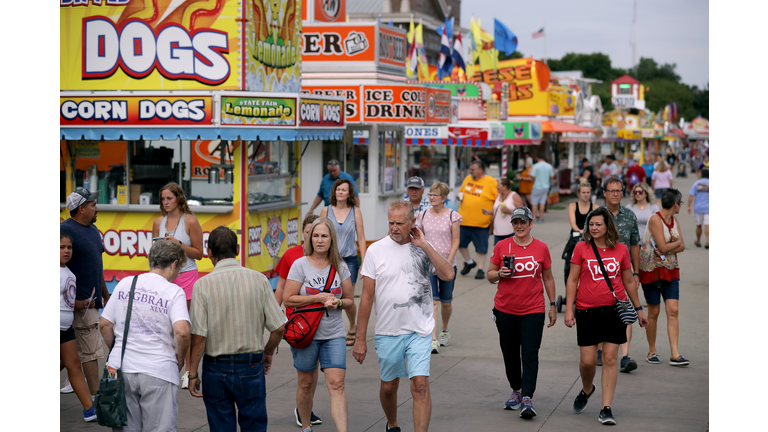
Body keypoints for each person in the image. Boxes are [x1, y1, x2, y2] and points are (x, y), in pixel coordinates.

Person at [353, 200, 455, 432]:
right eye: (391, 222)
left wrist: (425, 245)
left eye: (400, 223)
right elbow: (366, 298)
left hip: (419, 330)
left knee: (420, 386)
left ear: (412, 222)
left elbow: (448, 274)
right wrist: (360, 339)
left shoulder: (422, 248)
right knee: (389, 387)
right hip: (388, 331)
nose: (395, 227)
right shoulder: (375, 250)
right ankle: (392, 424)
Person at [187, 227, 285, 432]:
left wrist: (193, 373)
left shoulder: (202, 285)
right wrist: (267, 352)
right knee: (254, 426)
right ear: (238, 249)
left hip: (215, 368)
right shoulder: (259, 280)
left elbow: (199, 336)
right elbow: (279, 328)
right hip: (250, 366)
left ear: (209, 252)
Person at [564, 207, 648, 425]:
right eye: (591, 224)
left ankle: (606, 408)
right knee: (588, 361)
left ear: (608, 226)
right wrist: (569, 309)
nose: (594, 228)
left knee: (610, 358)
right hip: (586, 311)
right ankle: (587, 388)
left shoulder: (621, 249)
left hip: (613, 311)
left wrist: (639, 309)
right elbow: (572, 280)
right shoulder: (581, 248)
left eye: (598, 224)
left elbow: (629, 281)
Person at [99, 240, 191, 431]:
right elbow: (182, 332)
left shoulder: (126, 283)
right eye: (179, 269)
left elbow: (105, 324)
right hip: (158, 369)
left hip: (120, 368)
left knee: (125, 427)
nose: (177, 274)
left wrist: (116, 349)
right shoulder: (174, 292)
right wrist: (180, 358)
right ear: (174, 263)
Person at [486, 206, 557, 420]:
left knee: (529, 353)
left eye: (523, 222)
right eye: (515, 222)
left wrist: (553, 305)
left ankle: (527, 397)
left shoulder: (541, 248)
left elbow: (548, 278)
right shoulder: (502, 245)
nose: (519, 226)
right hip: (505, 309)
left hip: (533, 309)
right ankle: (516, 390)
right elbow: (489, 274)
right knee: (509, 353)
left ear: (531, 224)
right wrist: (499, 273)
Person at [284, 218, 355, 432]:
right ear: (309, 238)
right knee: (305, 383)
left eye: (324, 236)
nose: (319, 240)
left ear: (332, 239)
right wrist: (317, 299)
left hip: (333, 334)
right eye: (315, 235)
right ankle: (306, 427)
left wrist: (338, 302)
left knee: (337, 384)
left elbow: (350, 300)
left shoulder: (340, 266)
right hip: (306, 335)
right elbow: (288, 299)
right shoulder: (300, 265)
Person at [152, 182, 204, 389]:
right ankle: (170, 365)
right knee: (166, 325)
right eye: (163, 199)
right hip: (166, 277)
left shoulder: (189, 221)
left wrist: (177, 243)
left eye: (169, 198)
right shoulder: (158, 222)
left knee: (186, 325)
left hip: (187, 275)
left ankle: (190, 372)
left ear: (179, 198)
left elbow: (199, 254)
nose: (165, 202)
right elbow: (154, 253)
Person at [60, 189, 111, 397]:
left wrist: (106, 295)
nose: (96, 208)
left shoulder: (93, 229)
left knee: (68, 356)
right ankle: (96, 400)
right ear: (81, 209)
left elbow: (96, 267)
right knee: (90, 353)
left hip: (90, 303)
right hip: (77, 305)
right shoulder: (64, 231)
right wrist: (74, 301)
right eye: (93, 205)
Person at [274, 213, 323, 427]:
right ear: (303, 233)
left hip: (320, 320)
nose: (312, 236)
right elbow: (282, 286)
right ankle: (303, 410)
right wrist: (275, 315)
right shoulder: (291, 255)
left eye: (317, 232)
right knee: (305, 372)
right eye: (308, 231)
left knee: (314, 370)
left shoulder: (325, 256)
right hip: (298, 322)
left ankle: (306, 407)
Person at [639, 188, 689, 367]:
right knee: (654, 312)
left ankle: (675, 354)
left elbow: (681, 246)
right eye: (680, 203)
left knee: (673, 310)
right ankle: (652, 351)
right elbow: (664, 246)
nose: (680, 206)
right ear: (675, 204)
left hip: (670, 269)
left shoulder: (674, 221)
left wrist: (671, 246)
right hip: (652, 270)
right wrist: (674, 244)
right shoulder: (655, 219)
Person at [599, 177, 642, 373]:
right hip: (598, 272)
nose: (616, 194)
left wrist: (636, 272)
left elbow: (635, 245)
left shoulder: (630, 216)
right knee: (601, 310)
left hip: (623, 272)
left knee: (625, 310)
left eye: (619, 190)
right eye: (612, 190)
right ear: (605, 193)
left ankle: (625, 356)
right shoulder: (596, 215)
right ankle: (600, 350)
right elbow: (586, 243)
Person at [415, 182, 462, 354]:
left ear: (443, 198)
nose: (432, 198)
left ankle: (444, 329)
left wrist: (448, 261)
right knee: (433, 301)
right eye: (430, 195)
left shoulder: (453, 216)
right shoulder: (423, 215)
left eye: (435, 195)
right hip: (428, 265)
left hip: (448, 265)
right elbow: (419, 238)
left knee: (446, 301)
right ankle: (433, 338)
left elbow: (456, 241)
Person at [320, 178, 367, 347]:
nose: (340, 192)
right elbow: (319, 234)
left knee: (348, 299)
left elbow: (361, 238)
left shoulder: (356, 212)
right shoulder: (325, 211)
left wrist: (364, 262)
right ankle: (331, 330)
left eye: (344, 190)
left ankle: (353, 326)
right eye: (338, 189)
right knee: (330, 295)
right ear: (334, 192)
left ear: (349, 194)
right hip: (329, 258)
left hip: (350, 260)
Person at [60, 232, 97, 422]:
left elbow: (67, 300)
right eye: (61, 247)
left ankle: (90, 410)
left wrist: (82, 304)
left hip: (66, 329)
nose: (66, 251)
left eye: (69, 247)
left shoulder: (69, 273)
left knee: (74, 365)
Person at [457, 160, 498, 280]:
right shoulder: (468, 179)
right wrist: (459, 196)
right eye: (470, 170)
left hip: (482, 222)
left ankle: (480, 269)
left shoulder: (491, 181)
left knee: (481, 248)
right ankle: (469, 262)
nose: (471, 172)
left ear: (480, 170)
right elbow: (461, 191)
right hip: (464, 220)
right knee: (459, 244)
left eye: (473, 169)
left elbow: (498, 199)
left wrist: (494, 215)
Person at [563, 180, 594, 286]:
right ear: (579, 194)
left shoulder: (595, 207)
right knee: (570, 262)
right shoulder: (573, 206)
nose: (586, 195)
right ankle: (570, 286)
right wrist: (580, 231)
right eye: (583, 192)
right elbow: (573, 222)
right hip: (576, 236)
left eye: (588, 192)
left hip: (591, 237)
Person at [484, 178, 524, 245]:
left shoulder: (514, 196)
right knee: (499, 253)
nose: (496, 187)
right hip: (498, 231)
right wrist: (488, 212)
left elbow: (522, 212)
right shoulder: (498, 195)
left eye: (498, 185)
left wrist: (509, 211)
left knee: (511, 252)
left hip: (510, 231)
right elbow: (497, 210)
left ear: (504, 187)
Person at [529, 154, 555, 223]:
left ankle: (534, 217)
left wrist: (530, 174)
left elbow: (533, 177)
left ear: (537, 158)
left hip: (537, 186)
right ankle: (541, 217)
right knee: (542, 202)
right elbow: (552, 176)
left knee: (534, 202)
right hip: (546, 186)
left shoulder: (535, 166)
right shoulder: (549, 166)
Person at [688, 169, 709, 248]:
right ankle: (707, 241)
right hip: (709, 208)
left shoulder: (696, 183)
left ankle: (698, 241)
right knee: (708, 225)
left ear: (701, 175)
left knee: (699, 225)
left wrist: (688, 206)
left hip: (698, 208)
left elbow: (691, 196)